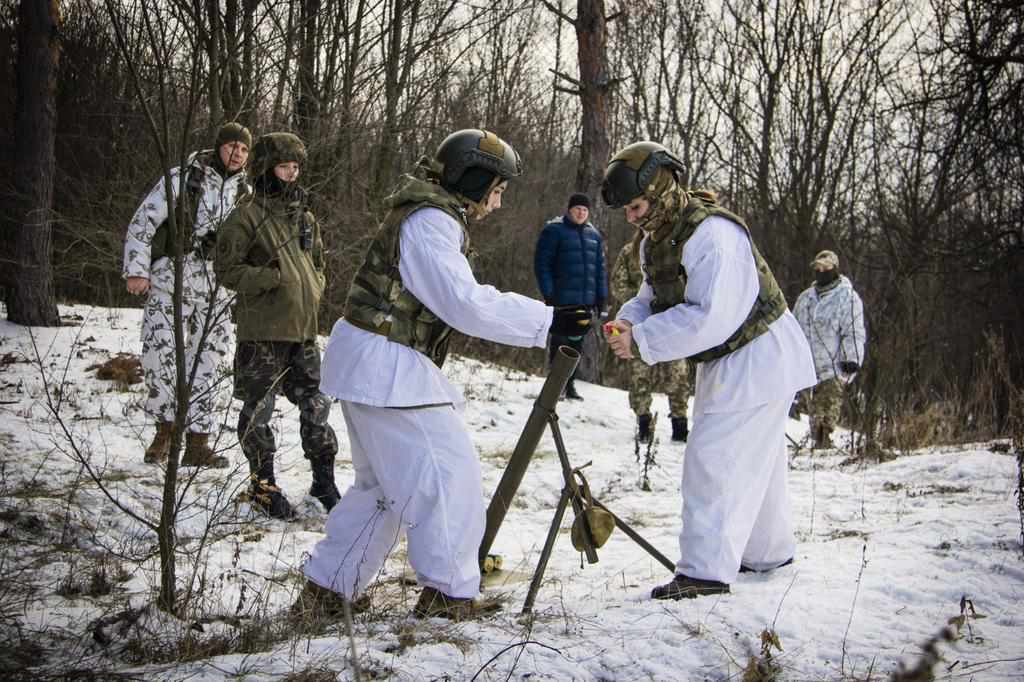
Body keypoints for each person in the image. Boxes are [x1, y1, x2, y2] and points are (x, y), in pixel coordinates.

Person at [293, 129, 592, 622]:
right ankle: (448, 595)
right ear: (471, 179)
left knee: (383, 493)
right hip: (387, 367)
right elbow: (461, 302)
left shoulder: (428, 214)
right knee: (447, 477)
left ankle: (328, 589)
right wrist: (547, 320)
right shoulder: (431, 220)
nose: (496, 204)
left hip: (377, 363)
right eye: (495, 190)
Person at [601, 141, 816, 600]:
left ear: (659, 192)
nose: (632, 218)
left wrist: (642, 341)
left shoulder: (713, 236)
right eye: (627, 211)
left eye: (636, 206)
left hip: (756, 358)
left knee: (713, 463)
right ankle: (766, 554)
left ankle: (704, 573)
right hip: (735, 362)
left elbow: (711, 317)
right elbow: (649, 297)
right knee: (758, 462)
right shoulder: (659, 239)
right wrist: (628, 321)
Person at [214, 132, 339, 519]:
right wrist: (270, 278)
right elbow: (226, 269)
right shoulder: (246, 215)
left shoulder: (305, 218)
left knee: (317, 405)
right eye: (284, 166)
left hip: (302, 332)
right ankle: (262, 486)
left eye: (296, 167)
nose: (291, 174)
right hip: (263, 333)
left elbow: (318, 263)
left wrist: (315, 285)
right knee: (257, 411)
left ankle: (323, 482)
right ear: (267, 168)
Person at [123, 122, 251, 468]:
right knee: (160, 359)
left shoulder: (246, 195)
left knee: (207, 365)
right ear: (219, 147)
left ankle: (197, 442)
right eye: (232, 146)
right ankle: (164, 433)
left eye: (243, 150)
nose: (237, 154)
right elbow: (144, 219)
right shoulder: (186, 178)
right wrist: (137, 269)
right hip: (171, 283)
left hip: (217, 292)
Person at [610, 236, 692, 442]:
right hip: (638, 324)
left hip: (670, 322)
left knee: (678, 376)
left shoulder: (674, 249)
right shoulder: (630, 252)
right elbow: (618, 284)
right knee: (640, 377)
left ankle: (680, 424)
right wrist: (642, 302)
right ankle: (644, 423)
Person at [533, 192, 608, 400]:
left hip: (585, 302)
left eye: (585, 210)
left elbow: (600, 270)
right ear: (569, 209)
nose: (581, 213)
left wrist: (601, 298)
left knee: (576, 346)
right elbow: (542, 265)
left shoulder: (594, 236)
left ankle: (570, 385)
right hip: (561, 301)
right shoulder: (554, 231)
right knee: (559, 344)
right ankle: (554, 388)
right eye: (578, 209)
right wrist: (549, 294)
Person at [793, 249, 866, 449]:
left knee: (828, 408)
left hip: (834, 365)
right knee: (813, 409)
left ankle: (824, 442)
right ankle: (818, 442)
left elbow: (853, 329)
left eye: (826, 268)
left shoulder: (847, 297)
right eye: (817, 268)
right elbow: (794, 328)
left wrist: (852, 357)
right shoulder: (805, 299)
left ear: (834, 269)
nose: (821, 271)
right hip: (808, 365)